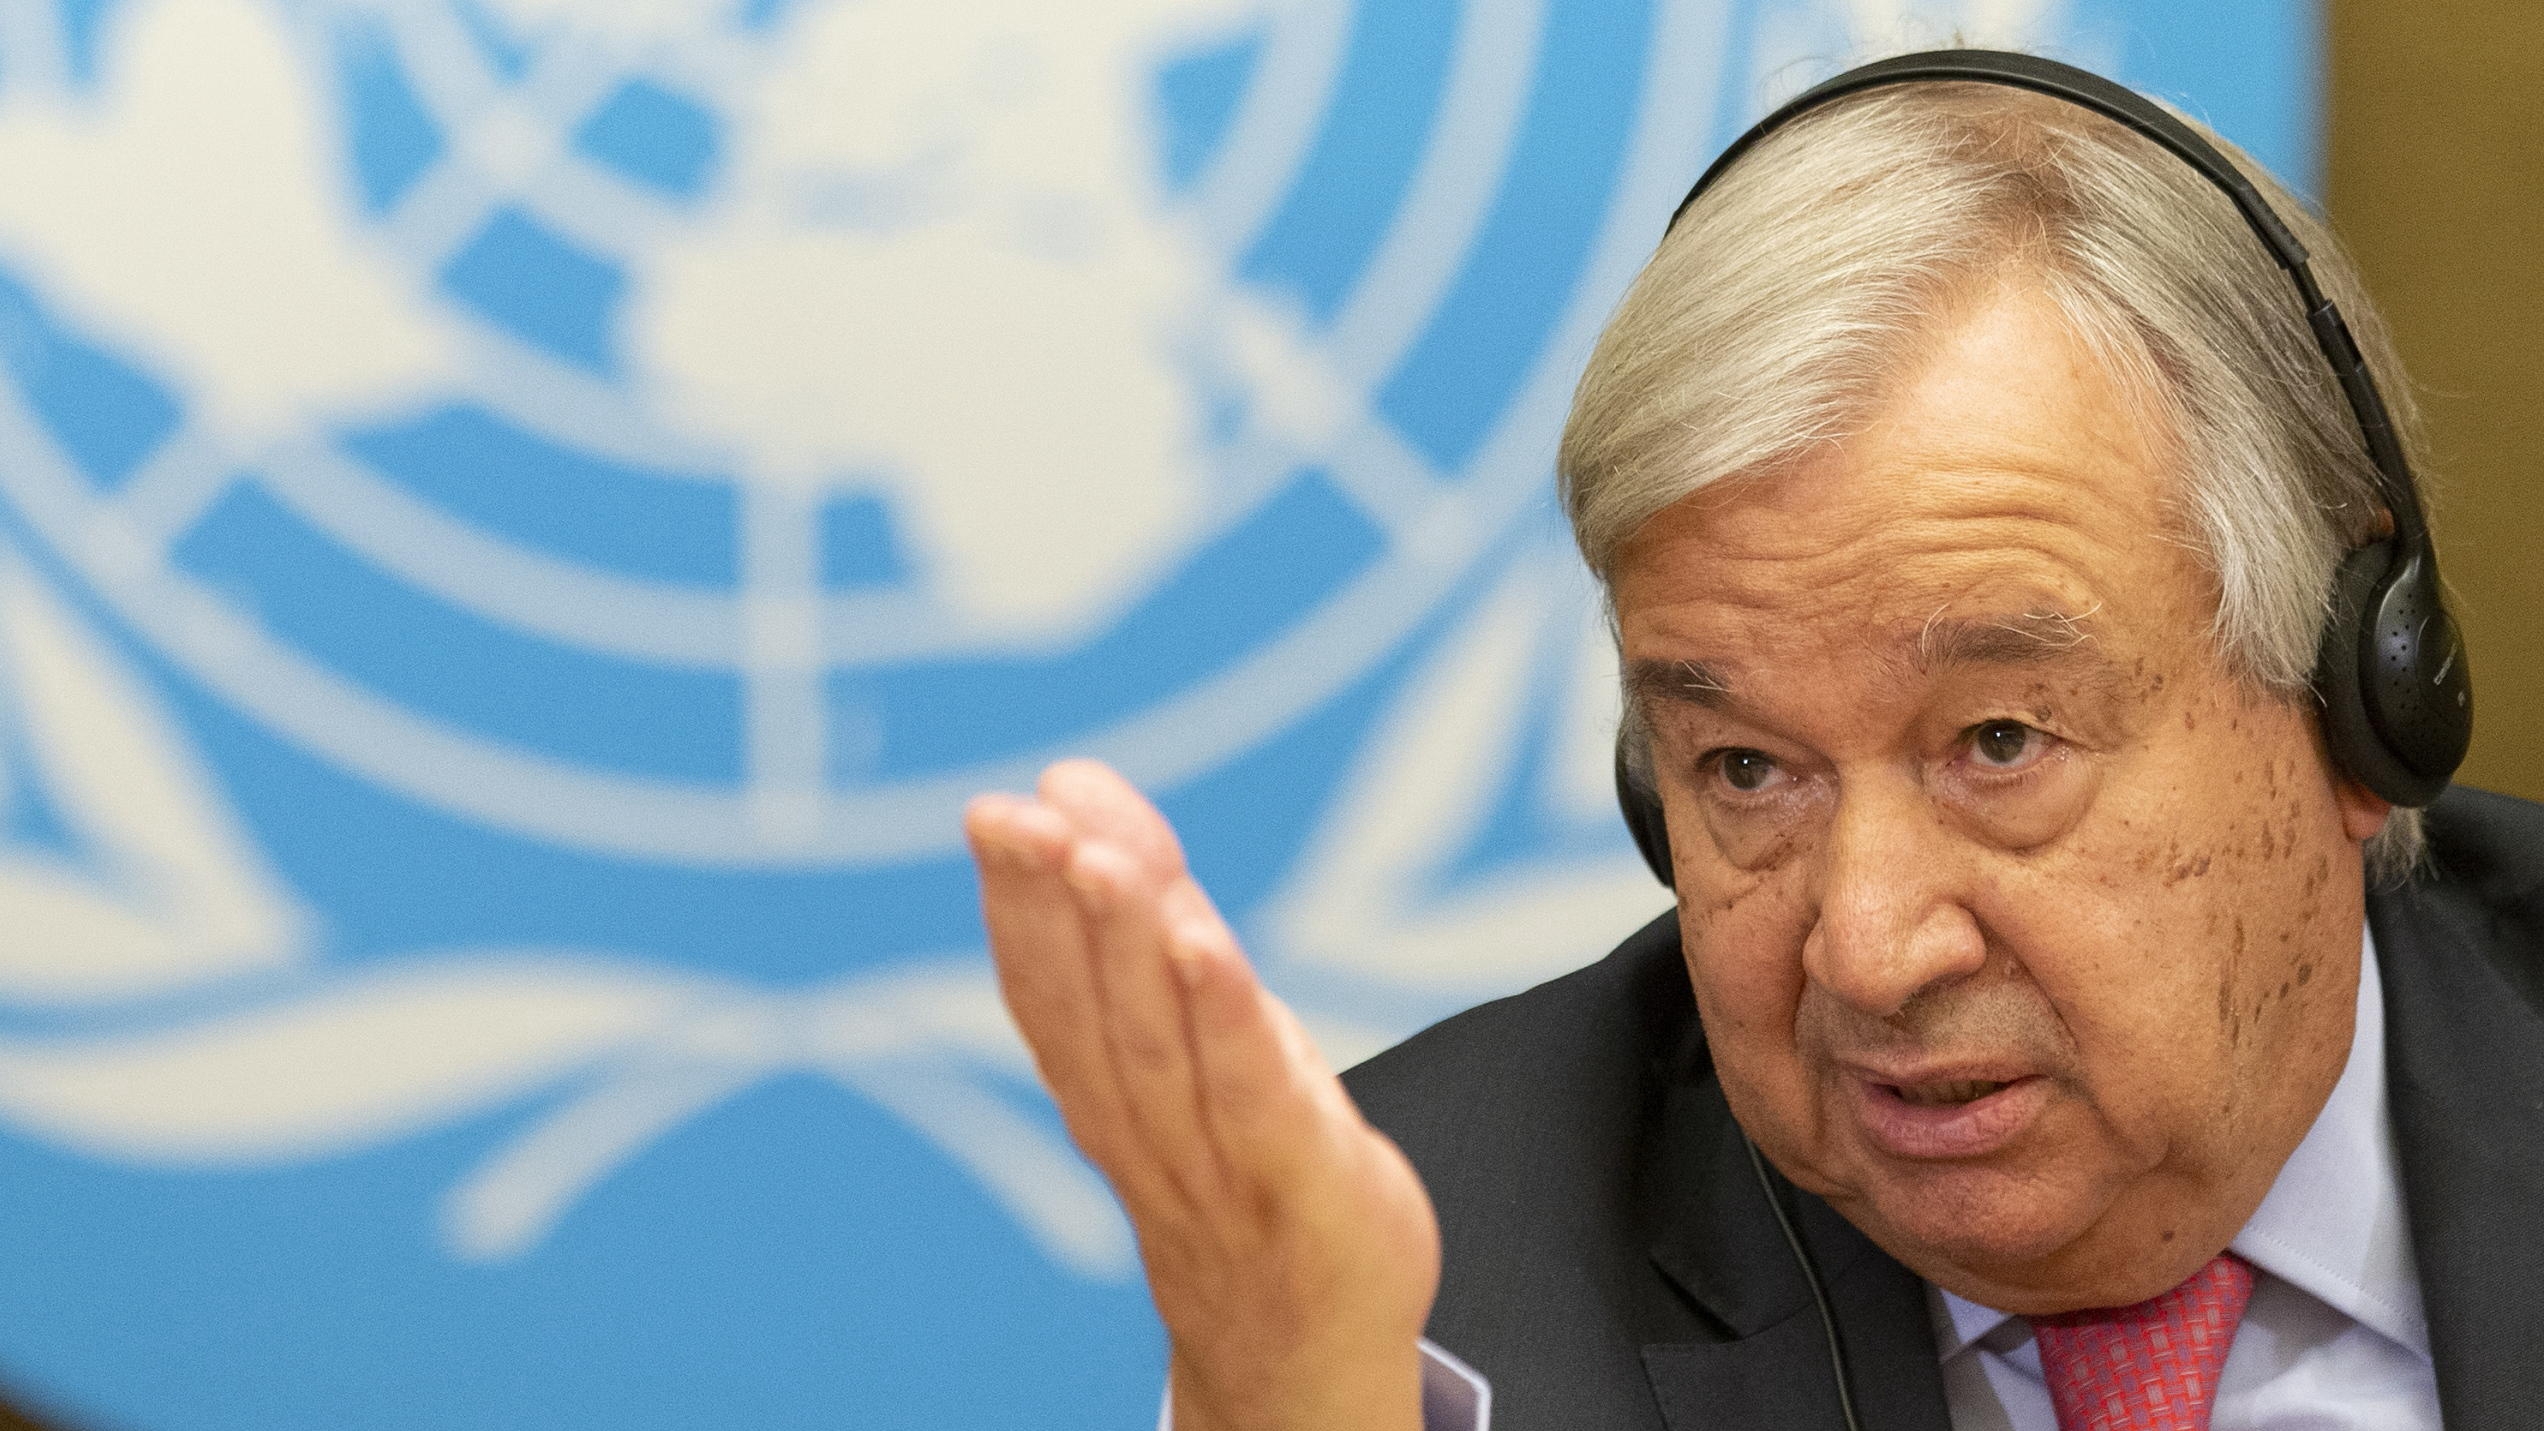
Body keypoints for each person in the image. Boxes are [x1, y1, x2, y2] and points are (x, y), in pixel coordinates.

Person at [963, 50, 2544, 1431]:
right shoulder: (1418, 1296)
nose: (1869, 950)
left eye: (1999, 742)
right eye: (1745, 770)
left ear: (2358, 702)